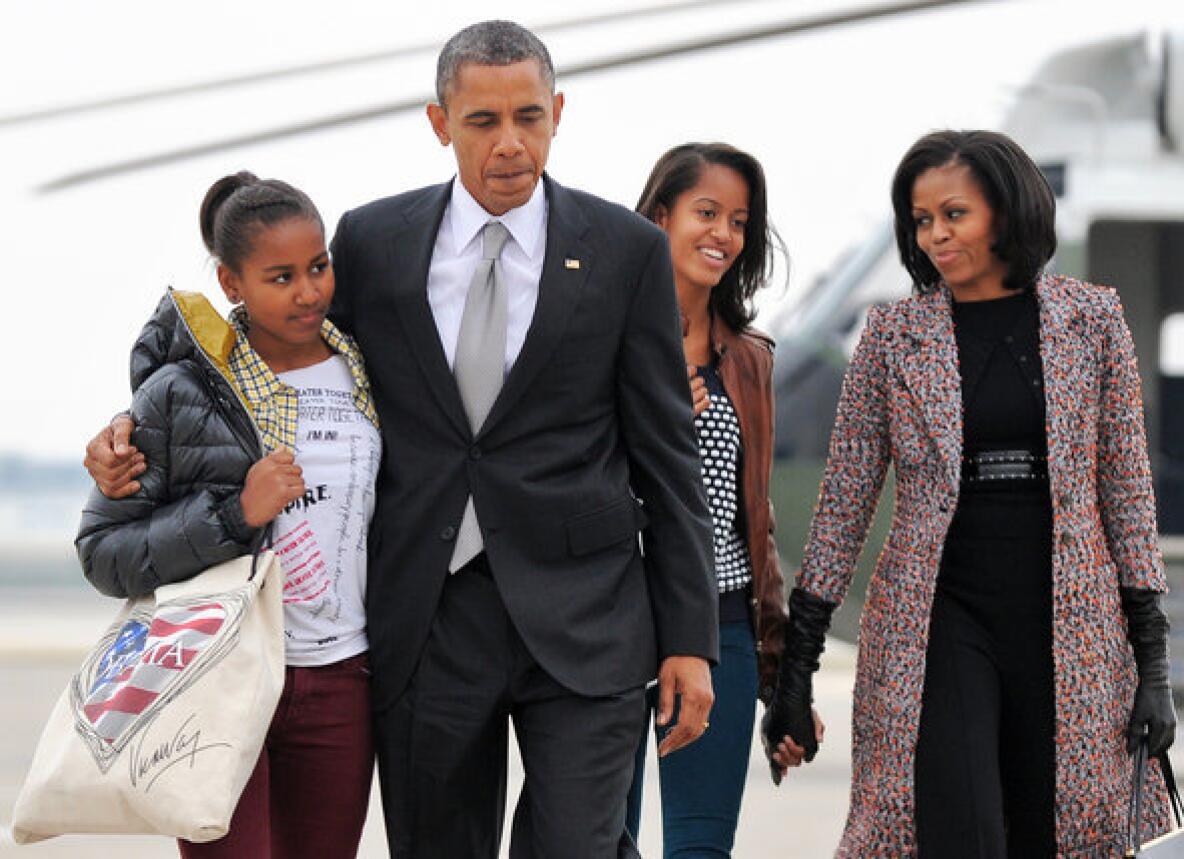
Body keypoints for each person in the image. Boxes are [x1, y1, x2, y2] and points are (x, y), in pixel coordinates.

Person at [85, 21, 718, 858]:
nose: (509, 143)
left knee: (580, 846)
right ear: (439, 121)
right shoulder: (374, 242)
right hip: (428, 620)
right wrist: (138, 417)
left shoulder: (625, 252)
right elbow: (278, 347)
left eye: (528, 116)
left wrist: (690, 640)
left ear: (558, 113)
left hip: (588, 617)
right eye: (482, 121)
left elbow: (668, 461)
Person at [761, 129, 1176, 856]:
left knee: (1056, 831)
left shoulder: (1094, 321)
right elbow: (843, 503)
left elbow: (1127, 493)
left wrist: (1155, 665)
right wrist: (798, 668)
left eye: (954, 214)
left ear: (1007, 212)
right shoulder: (892, 335)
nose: (935, 236)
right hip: (938, 615)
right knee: (960, 827)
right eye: (921, 220)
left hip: (1072, 619)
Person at [76, 172, 379, 858]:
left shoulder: (368, 367)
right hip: (219, 675)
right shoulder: (180, 393)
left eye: (318, 267)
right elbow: (103, 552)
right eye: (280, 277)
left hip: (342, 680)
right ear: (231, 283)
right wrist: (237, 510)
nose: (308, 291)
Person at [623, 142, 795, 857]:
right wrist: (645, 422)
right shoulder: (600, 337)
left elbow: (754, 517)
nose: (723, 233)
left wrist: (784, 672)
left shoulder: (749, 356)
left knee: (700, 847)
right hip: (608, 618)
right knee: (599, 838)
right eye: (706, 212)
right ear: (660, 215)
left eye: (739, 220)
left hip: (721, 619)